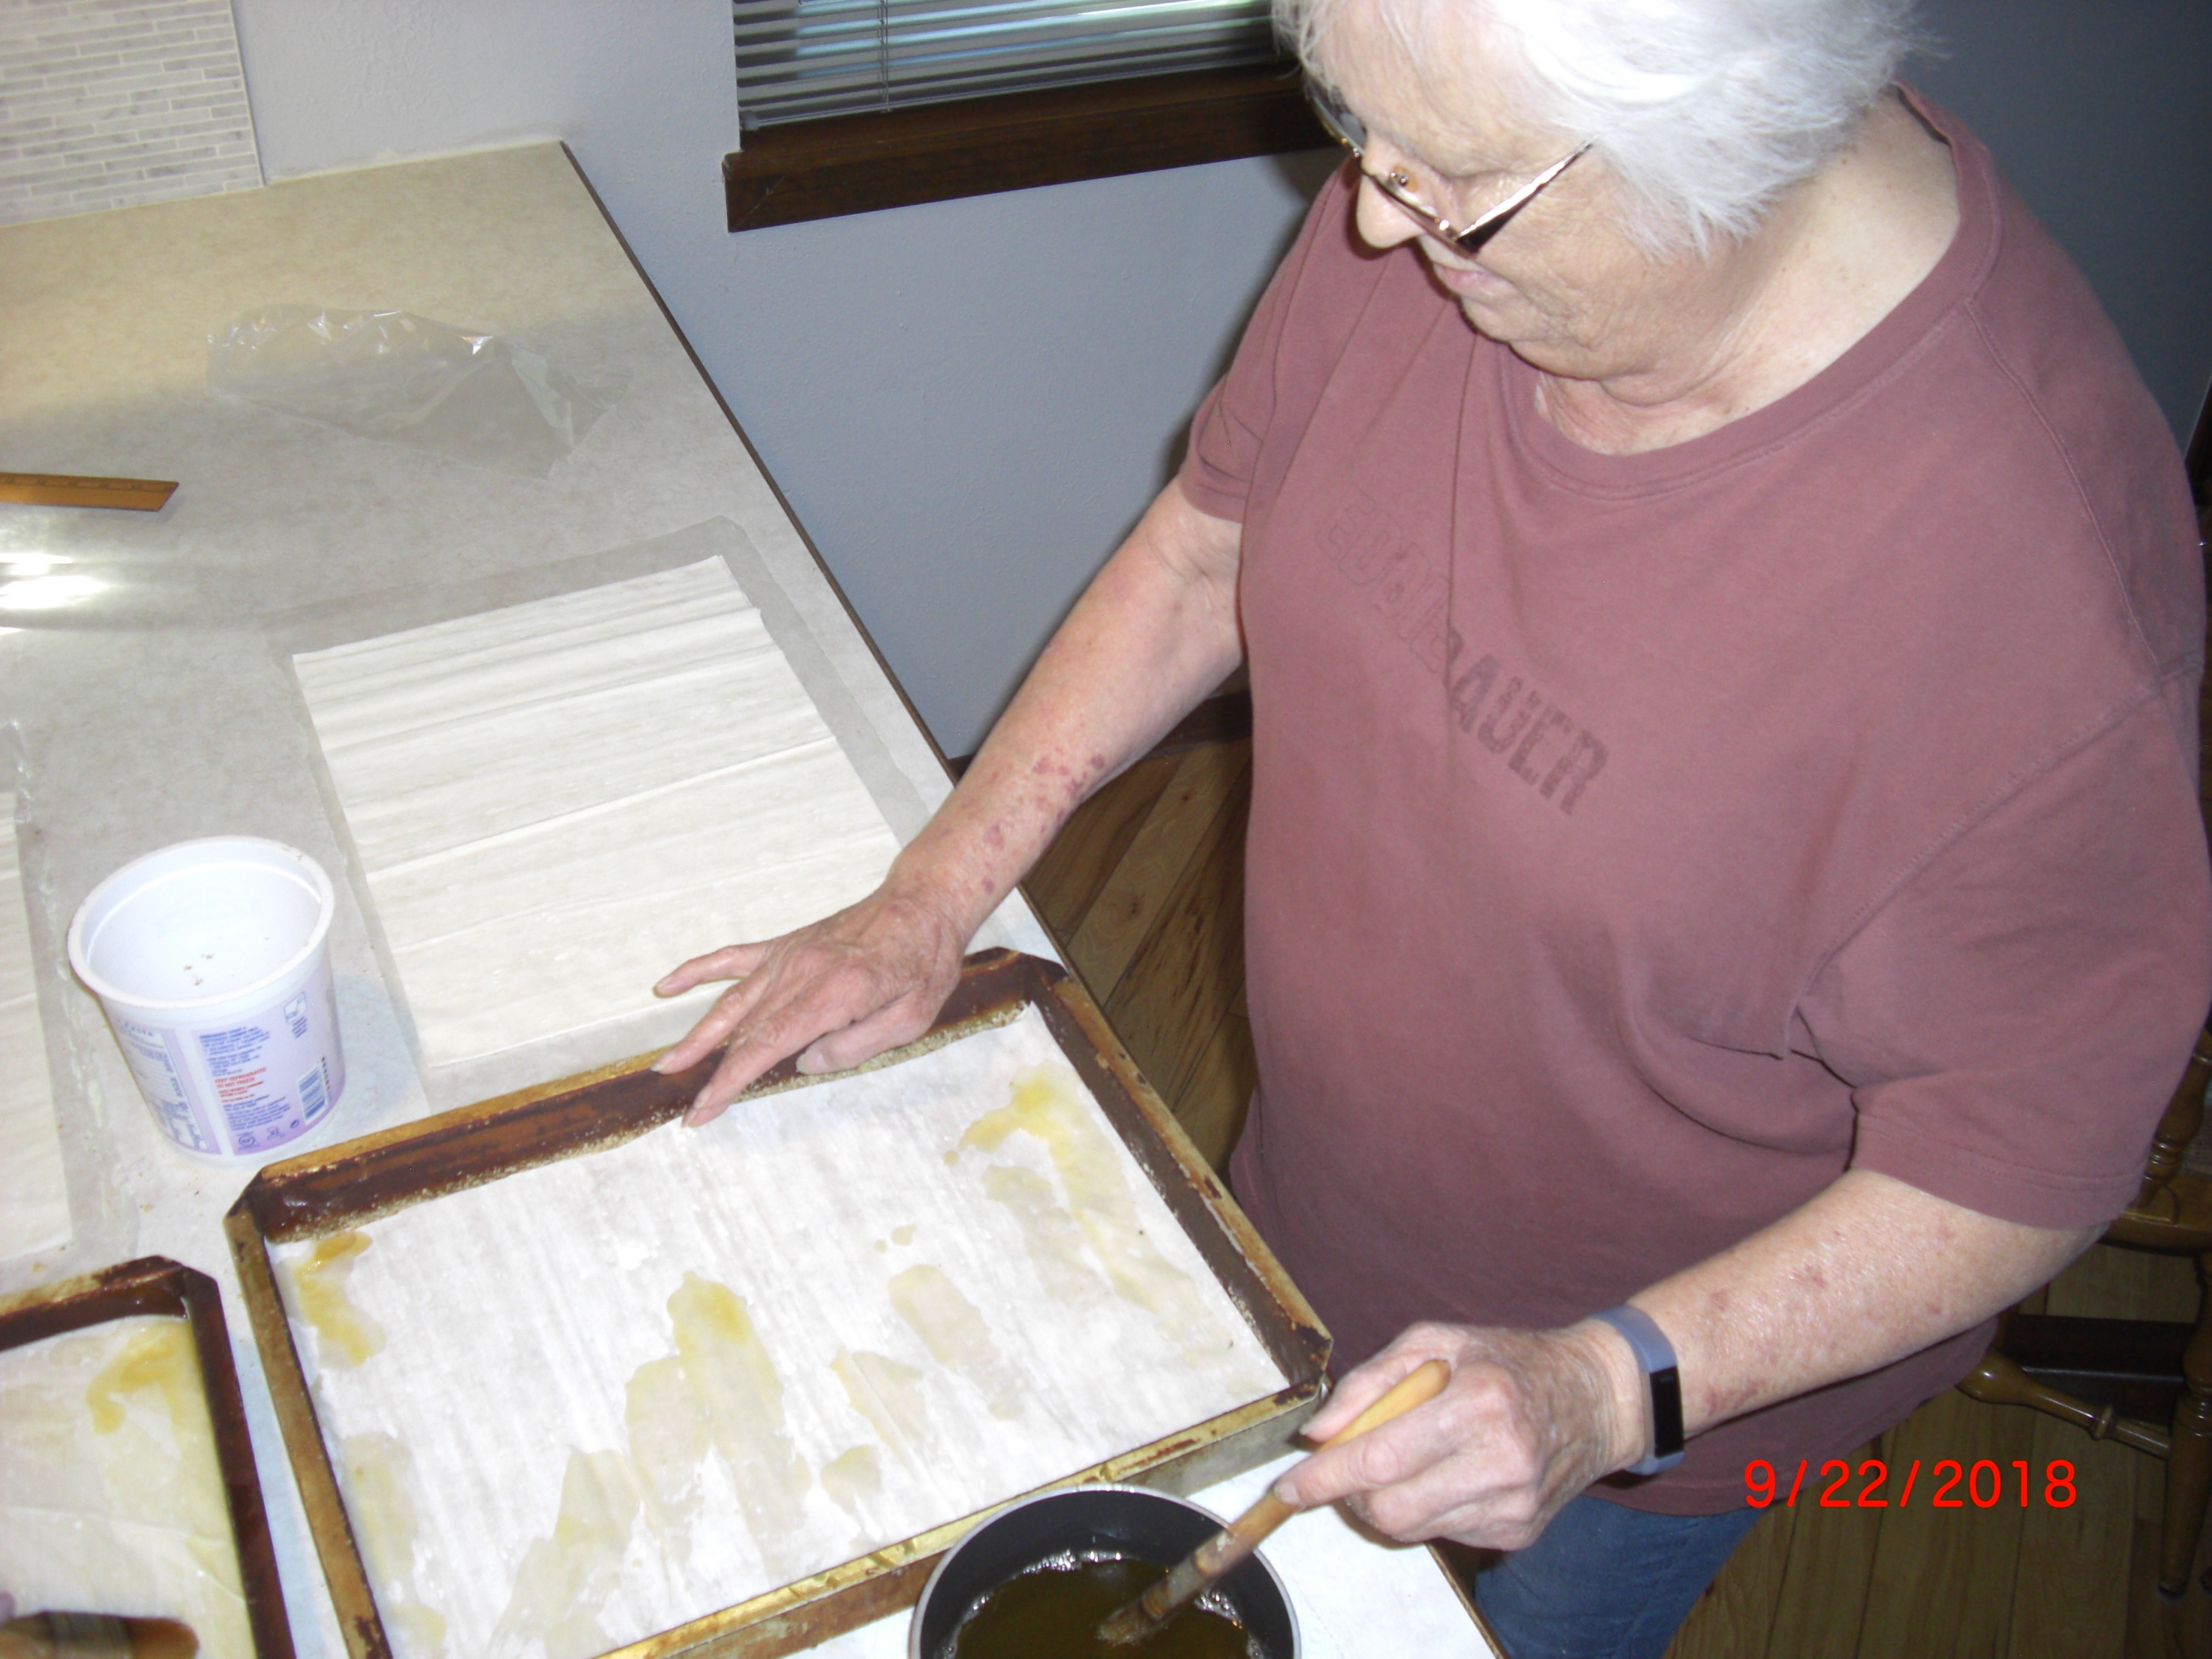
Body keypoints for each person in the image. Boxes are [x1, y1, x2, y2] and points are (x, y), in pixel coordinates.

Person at [653, 1, 2211, 1652]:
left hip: (1636, 1413)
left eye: (1449, 181)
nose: (1374, 222)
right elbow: (1205, 550)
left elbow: (2021, 1170)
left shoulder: (2041, 611)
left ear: (1733, 152)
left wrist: (1603, 1388)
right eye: (1359, 132)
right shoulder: (1460, 178)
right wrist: (931, 893)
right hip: (1304, 1220)